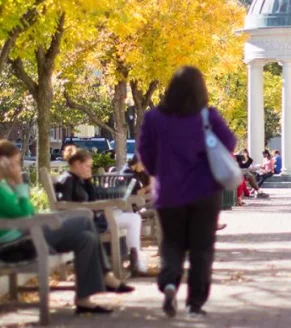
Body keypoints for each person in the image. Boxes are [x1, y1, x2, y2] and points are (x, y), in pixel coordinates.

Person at [138, 66, 236, 319]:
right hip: (204, 192)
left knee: (172, 242)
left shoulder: (153, 118)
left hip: (169, 193)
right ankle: (195, 303)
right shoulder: (207, 117)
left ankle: (170, 283)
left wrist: (158, 170)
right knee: (202, 248)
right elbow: (229, 142)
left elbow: (145, 153)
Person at [0, 140, 133, 314]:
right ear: (3, 161)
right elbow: (26, 216)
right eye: (16, 162)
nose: (18, 167)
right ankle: (105, 274)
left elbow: (29, 213)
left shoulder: (5, 185)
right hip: (17, 244)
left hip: (28, 234)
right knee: (84, 219)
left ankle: (84, 299)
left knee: (87, 238)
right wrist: (19, 185)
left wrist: (16, 187)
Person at [56, 149, 150, 277]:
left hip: (96, 218)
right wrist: (91, 208)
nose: (89, 169)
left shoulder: (80, 180)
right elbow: (63, 206)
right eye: (87, 166)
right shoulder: (66, 180)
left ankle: (136, 261)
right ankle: (122, 267)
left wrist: (88, 182)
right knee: (125, 216)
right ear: (77, 164)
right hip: (85, 223)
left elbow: (93, 199)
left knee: (134, 218)